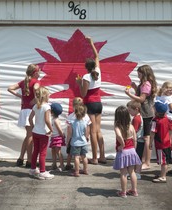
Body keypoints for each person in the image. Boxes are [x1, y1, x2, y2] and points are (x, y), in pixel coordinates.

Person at [76, 36, 106, 165]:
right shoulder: (98, 71)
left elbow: (83, 94)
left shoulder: (86, 76)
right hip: (99, 103)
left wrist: (79, 83)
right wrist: (91, 43)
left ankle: (94, 157)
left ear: (86, 67)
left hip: (90, 103)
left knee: (93, 131)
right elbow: (97, 56)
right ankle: (102, 156)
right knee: (98, 130)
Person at [8, 64, 40, 168]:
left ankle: (21, 158)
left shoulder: (24, 82)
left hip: (24, 110)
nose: (39, 73)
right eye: (38, 71)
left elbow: (10, 88)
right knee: (30, 135)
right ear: (35, 72)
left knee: (28, 135)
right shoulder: (36, 82)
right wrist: (35, 99)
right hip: (32, 111)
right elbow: (36, 90)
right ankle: (30, 160)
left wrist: (21, 96)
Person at [125, 65, 157, 170]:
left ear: (144, 73)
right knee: (144, 137)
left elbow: (142, 99)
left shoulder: (146, 84)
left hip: (147, 113)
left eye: (139, 73)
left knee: (147, 137)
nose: (138, 75)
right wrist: (135, 88)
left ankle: (147, 162)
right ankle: (143, 159)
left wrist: (129, 94)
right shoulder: (144, 84)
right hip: (145, 112)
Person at [113, 106, 141, 198]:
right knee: (132, 171)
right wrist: (134, 149)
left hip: (123, 152)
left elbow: (119, 136)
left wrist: (122, 144)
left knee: (123, 173)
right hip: (132, 150)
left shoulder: (117, 127)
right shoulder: (131, 126)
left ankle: (123, 192)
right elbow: (135, 139)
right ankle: (134, 190)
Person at [28, 86, 54, 180]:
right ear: (44, 96)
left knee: (35, 151)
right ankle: (42, 171)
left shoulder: (35, 106)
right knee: (42, 153)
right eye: (48, 95)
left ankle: (33, 169)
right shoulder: (47, 106)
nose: (49, 96)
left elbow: (30, 118)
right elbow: (47, 120)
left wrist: (33, 126)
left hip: (35, 132)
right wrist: (51, 129)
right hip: (43, 132)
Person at [65, 97, 91, 171]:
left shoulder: (70, 117)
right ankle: (85, 170)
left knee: (72, 154)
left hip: (73, 140)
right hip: (83, 140)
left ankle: (70, 165)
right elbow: (88, 128)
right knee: (84, 156)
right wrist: (87, 136)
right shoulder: (85, 116)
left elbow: (69, 131)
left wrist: (68, 140)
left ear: (73, 105)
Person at [150, 101, 172, 183]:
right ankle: (162, 174)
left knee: (163, 161)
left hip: (160, 144)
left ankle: (163, 176)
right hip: (167, 142)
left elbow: (152, 132)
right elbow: (170, 130)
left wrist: (150, 143)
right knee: (164, 160)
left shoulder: (155, 121)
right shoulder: (166, 118)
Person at [126, 100, 143, 180]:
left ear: (136, 109)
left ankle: (138, 172)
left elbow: (134, 130)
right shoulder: (138, 117)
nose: (129, 112)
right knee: (137, 157)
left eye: (130, 110)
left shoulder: (136, 119)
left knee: (137, 157)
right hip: (139, 140)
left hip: (138, 140)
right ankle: (135, 172)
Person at [49, 103, 65, 171]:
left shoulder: (56, 120)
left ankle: (62, 165)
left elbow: (59, 129)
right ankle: (54, 164)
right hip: (53, 137)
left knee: (58, 151)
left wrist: (62, 135)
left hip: (57, 137)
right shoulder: (53, 119)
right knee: (53, 151)